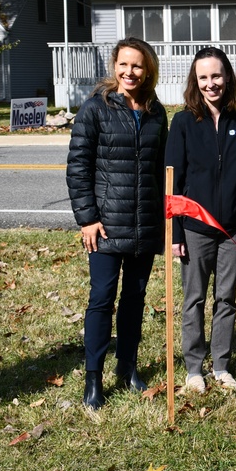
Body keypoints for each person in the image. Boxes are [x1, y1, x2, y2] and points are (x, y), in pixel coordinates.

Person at [67, 38, 168, 410]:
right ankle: (93, 378)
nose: (129, 72)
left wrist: (162, 220)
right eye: (123, 65)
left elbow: (160, 171)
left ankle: (127, 367)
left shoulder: (157, 112)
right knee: (101, 299)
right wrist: (88, 219)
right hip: (105, 226)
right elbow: (78, 168)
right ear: (115, 67)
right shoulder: (95, 109)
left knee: (135, 299)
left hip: (144, 225)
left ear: (148, 69)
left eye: (137, 66)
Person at [168, 47, 236, 392]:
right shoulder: (182, 123)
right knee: (193, 298)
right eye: (204, 77)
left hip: (235, 229)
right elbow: (174, 182)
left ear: (227, 77)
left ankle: (221, 365)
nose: (211, 83)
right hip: (195, 228)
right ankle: (194, 368)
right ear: (196, 82)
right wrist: (176, 231)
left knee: (226, 297)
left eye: (216, 76)